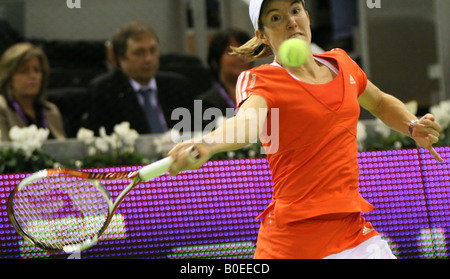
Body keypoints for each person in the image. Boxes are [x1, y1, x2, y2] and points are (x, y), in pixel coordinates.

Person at [167, 0, 444, 259]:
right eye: (276, 17)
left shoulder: (342, 63)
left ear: (307, 16)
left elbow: (380, 102)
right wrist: (209, 143)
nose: (291, 22)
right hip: (292, 244)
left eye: (296, 10)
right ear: (262, 35)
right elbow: (247, 123)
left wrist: (411, 125)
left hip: (352, 231)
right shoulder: (261, 80)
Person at [85, 21, 195, 135]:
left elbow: (197, 133)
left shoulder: (178, 86)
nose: (148, 59)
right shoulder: (105, 91)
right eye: (139, 53)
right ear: (121, 59)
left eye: (153, 50)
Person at [0, 43, 66, 142]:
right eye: (24, 71)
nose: (33, 76)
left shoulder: (51, 111)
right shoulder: (2, 108)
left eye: (37, 70)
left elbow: (65, 149)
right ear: (9, 78)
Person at [199, 29, 252, 119]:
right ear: (215, 60)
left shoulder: (263, 95)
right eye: (231, 52)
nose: (240, 58)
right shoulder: (205, 104)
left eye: (244, 51)